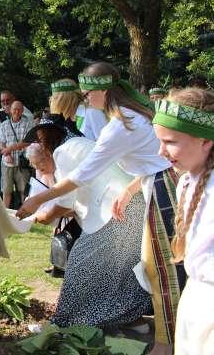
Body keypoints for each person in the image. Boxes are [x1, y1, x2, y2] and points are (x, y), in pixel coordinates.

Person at [17, 62, 183, 355]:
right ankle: (158, 334)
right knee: (153, 268)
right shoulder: (131, 114)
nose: (85, 100)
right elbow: (149, 160)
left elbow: (82, 176)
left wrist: (37, 200)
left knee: (162, 271)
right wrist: (131, 189)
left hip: (161, 191)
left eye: (88, 94)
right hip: (153, 186)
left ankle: (165, 344)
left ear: (104, 91)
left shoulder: (121, 124)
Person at [24, 122, 152, 330]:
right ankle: (132, 319)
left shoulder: (63, 153)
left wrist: (41, 215)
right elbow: (79, 196)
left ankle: (61, 324)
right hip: (134, 206)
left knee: (80, 264)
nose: (42, 172)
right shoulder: (79, 144)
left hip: (117, 209)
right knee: (122, 268)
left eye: (40, 167)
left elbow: (66, 200)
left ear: (46, 150)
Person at [151, 88, 214, 355]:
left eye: (171, 141)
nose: (161, 151)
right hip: (195, 303)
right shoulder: (188, 180)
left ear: (205, 140)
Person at [0, 100, 33, 208]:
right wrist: (7, 154)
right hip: (7, 164)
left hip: (22, 163)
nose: (16, 111)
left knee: (23, 191)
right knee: (6, 191)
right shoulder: (4, 125)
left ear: (22, 111)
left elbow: (28, 142)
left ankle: (25, 212)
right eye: (14, 109)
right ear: (10, 110)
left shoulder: (27, 124)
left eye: (19, 109)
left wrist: (11, 148)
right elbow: (1, 142)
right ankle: (5, 214)